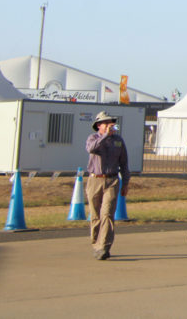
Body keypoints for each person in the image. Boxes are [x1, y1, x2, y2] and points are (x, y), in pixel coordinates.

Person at [85, 110, 130, 261]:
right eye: (106, 123)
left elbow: (124, 163)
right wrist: (105, 136)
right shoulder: (93, 138)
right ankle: (96, 243)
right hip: (94, 180)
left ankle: (104, 246)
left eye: (112, 122)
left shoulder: (118, 140)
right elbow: (91, 149)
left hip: (112, 180)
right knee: (95, 215)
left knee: (107, 213)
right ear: (99, 125)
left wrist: (126, 183)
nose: (110, 125)